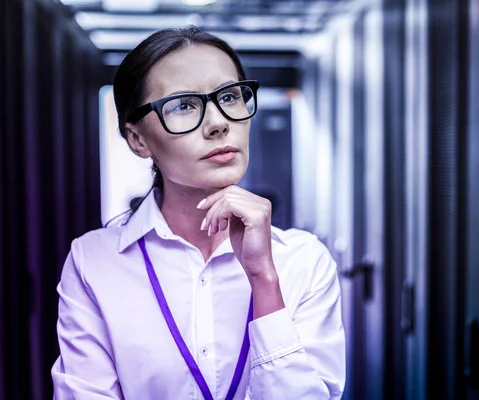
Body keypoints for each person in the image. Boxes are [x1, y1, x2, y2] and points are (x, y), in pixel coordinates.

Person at [51, 26, 346, 399]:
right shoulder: (94, 261)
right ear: (138, 140)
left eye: (230, 96)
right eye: (184, 105)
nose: (219, 122)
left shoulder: (304, 262)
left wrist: (264, 280)